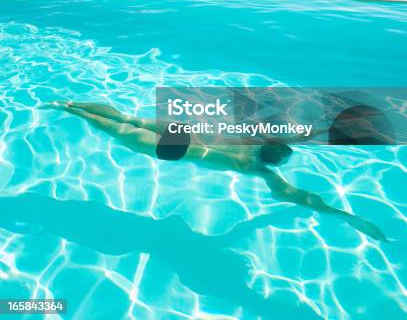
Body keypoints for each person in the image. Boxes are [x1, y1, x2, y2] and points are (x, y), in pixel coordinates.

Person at [49, 100, 388, 242]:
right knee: (118, 131)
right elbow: (303, 198)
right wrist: (344, 215)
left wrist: (335, 127)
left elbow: (305, 133)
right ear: (276, 161)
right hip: (177, 149)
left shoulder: (258, 138)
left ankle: (67, 104)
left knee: (127, 118)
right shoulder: (260, 170)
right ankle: (76, 113)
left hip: (183, 130)